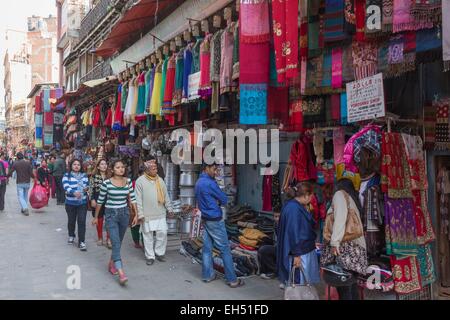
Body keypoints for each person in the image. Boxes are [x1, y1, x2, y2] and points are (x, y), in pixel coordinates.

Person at [195, 163, 244, 288]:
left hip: (206, 218)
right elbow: (224, 199)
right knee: (225, 249)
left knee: (207, 248)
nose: (216, 171)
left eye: (216, 169)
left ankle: (208, 275)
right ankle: (232, 280)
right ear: (206, 168)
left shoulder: (199, 182)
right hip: (214, 219)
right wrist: (217, 200)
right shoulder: (210, 183)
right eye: (214, 169)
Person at [92, 159, 137, 286]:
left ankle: (112, 264)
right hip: (111, 214)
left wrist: (136, 214)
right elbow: (100, 201)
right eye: (118, 167)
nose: (121, 169)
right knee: (116, 243)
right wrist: (96, 217)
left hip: (124, 214)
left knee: (118, 242)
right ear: (112, 169)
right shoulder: (106, 183)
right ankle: (121, 272)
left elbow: (132, 198)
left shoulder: (128, 181)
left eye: (122, 167)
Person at [326, 177, 367, 300]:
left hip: (345, 249)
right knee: (351, 285)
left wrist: (334, 242)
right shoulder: (352, 200)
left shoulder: (340, 195)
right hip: (356, 250)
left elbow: (340, 218)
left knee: (344, 287)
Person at [276, 182, 321, 290]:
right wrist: (296, 254)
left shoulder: (294, 205)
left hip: (302, 249)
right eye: (311, 196)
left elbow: (300, 230)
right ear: (306, 195)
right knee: (299, 283)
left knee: (302, 282)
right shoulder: (294, 209)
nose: (311, 198)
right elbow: (293, 233)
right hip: (299, 252)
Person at [135, 159, 173, 265]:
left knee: (163, 233)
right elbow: (138, 199)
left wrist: (169, 209)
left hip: (160, 212)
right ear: (147, 170)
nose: (156, 170)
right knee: (148, 236)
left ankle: (159, 253)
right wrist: (140, 214)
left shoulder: (160, 180)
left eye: (156, 168)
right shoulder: (140, 181)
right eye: (153, 169)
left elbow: (166, 196)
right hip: (147, 214)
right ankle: (150, 256)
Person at [63, 159, 89, 251]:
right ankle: (71, 235)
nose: (76, 166)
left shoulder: (84, 176)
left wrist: (86, 188)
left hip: (82, 202)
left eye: (78, 164)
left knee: (81, 221)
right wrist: (73, 192)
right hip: (70, 202)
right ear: (71, 165)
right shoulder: (67, 175)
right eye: (74, 164)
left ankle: (82, 241)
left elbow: (87, 185)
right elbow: (65, 186)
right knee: (71, 220)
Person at [89, 159, 111, 248]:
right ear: (98, 166)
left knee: (109, 219)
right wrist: (92, 199)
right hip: (97, 199)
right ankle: (100, 237)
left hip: (109, 199)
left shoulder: (110, 176)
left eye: (105, 163)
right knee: (99, 219)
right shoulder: (93, 176)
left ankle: (109, 238)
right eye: (102, 164)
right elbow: (90, 189)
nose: (104, 165)